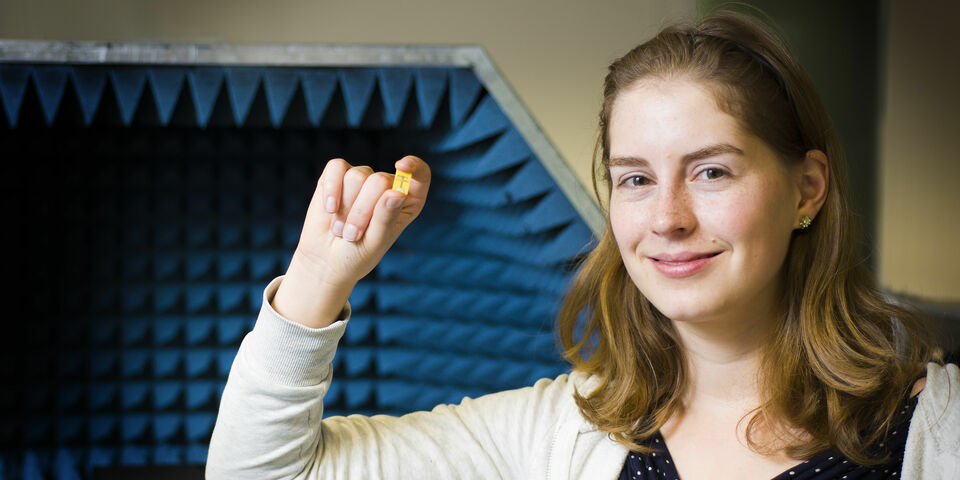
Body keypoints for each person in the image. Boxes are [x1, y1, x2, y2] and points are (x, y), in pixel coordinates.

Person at [206, 11, 959, 480]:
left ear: (807, 189)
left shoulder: (942, 430)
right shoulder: (563, 431)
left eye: (711, 171)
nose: (666, 217)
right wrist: (317, 277)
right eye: (634, 179)